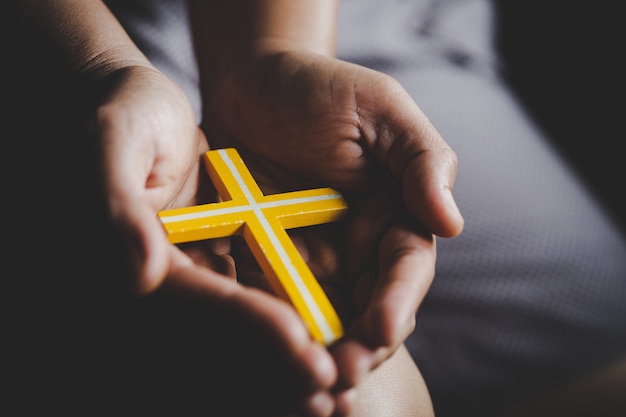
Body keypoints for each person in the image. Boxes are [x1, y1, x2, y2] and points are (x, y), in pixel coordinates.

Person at [7, 1, 626, 417]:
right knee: (354, 400)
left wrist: (271, 54)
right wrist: (101, 68)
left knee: (603, 357)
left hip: (366, 31)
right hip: (72, 44)